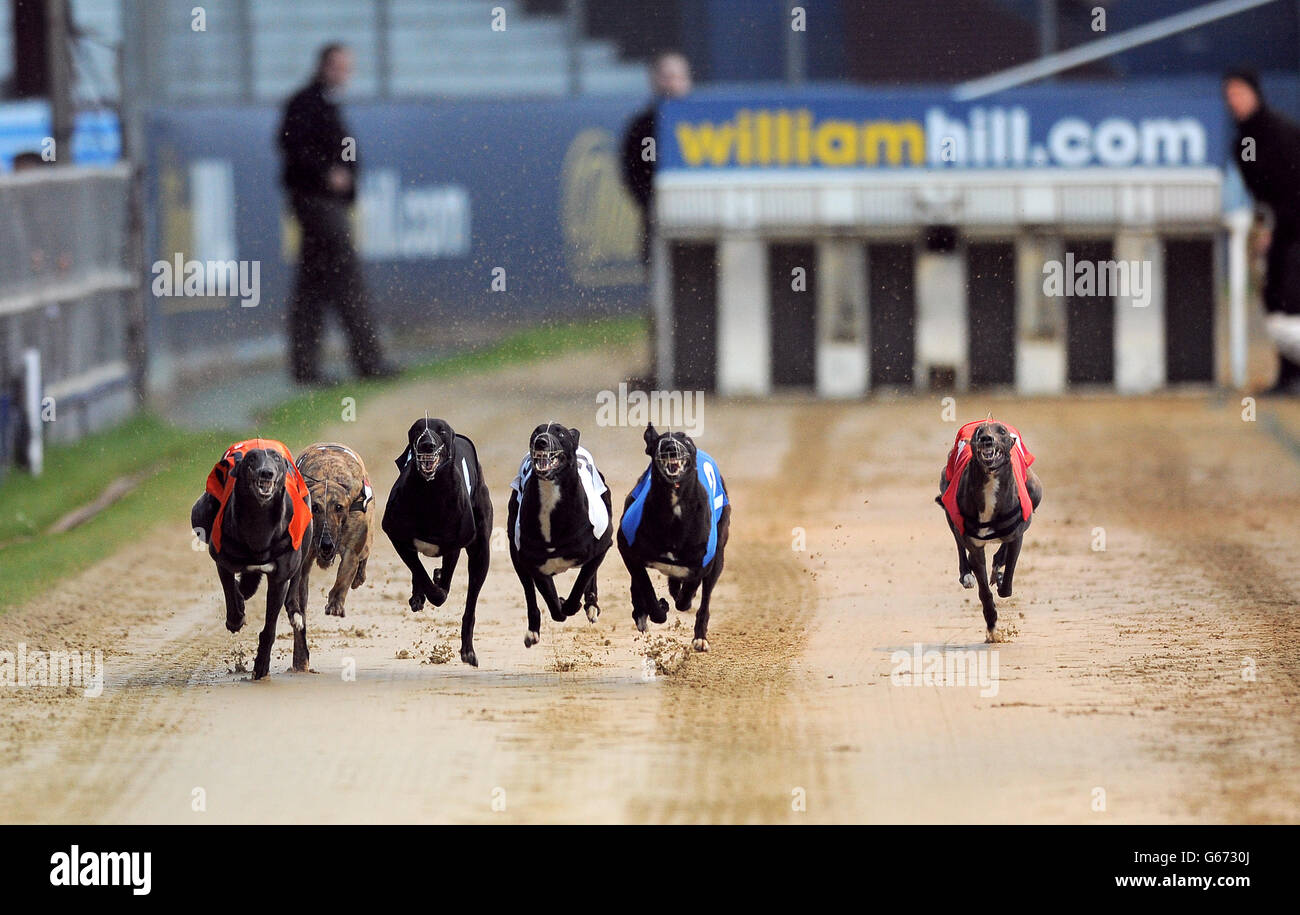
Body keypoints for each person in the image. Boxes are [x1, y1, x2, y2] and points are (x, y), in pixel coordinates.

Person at [279, 43, 395, 385]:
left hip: (327, 204)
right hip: (316, 204)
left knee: (312, 285)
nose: (342, 74)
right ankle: (368, 361)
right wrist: (326, 173)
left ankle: (306, 368)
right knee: (347, 278)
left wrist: (344, 176)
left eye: (347, 68)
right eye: (337, 67)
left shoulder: (327, 104)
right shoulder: (306, 103)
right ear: (322, 66)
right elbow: (292, 147)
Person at [1224, 68, 1300, 394]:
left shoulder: (1283, 133)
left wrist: (1276, 224)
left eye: (1240, 93)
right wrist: (1263, 228)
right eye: (1230, 96)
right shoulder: (1242, 144)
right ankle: (1289, 376)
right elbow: (1260, 197)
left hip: (1294, 229)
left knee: (1292, 302)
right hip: (1278, 233)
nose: (1235, 102)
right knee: (1275, 302)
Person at [620, 51, 693, 265]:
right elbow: (633, 173)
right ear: (654, 80)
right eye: (667, 76)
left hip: (698, 224)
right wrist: (652, 205)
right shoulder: (643, 127)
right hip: (657, 222)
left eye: (678, 77)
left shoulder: (702, 124)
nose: (672, 84)